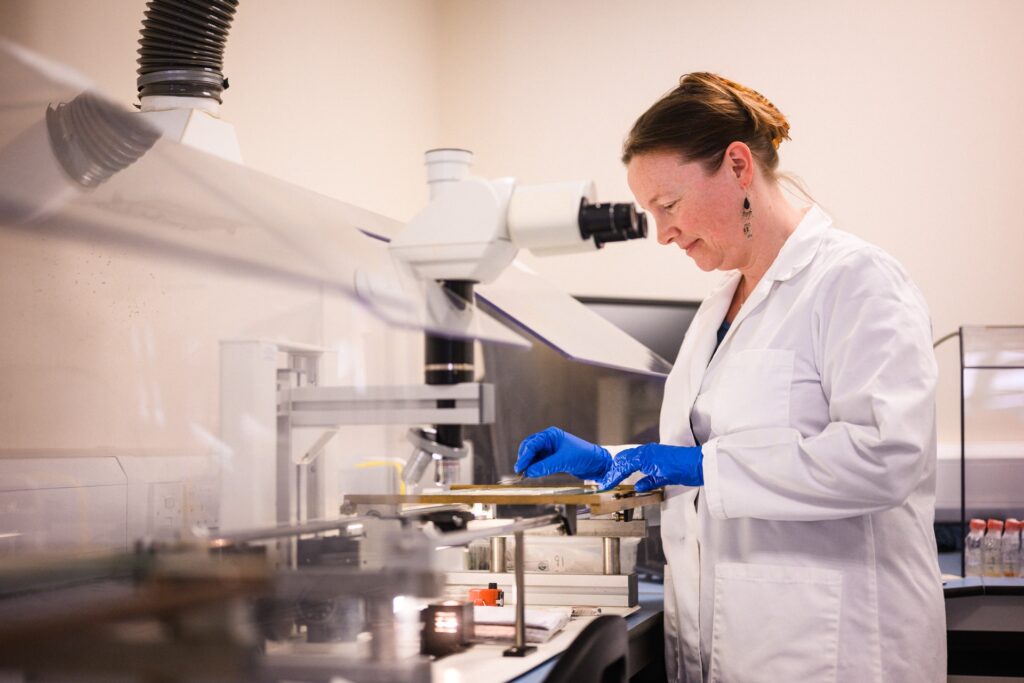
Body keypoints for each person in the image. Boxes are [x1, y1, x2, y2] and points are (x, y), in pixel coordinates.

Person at [515, 73, 945, 682]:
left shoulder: (857, 281)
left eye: (668, 205)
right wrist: (611, 460)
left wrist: (697, 467)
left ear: (738, 166)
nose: (661, 231)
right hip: (733, 645)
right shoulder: (720, 304)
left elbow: (886, 455)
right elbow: (706, 454)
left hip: (835, 650)